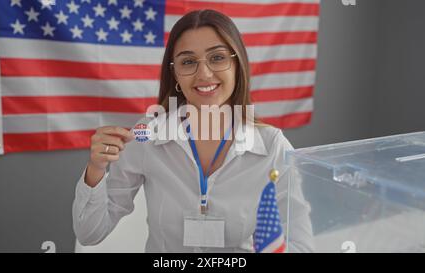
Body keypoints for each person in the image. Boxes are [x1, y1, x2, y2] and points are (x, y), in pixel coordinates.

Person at [72, 9, 313, 253]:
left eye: (217, 58)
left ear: (237, 64)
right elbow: (90, 233)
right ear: (175, 73)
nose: (204, 74)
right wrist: (97, 169)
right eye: (188, 62)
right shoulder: (148, 135)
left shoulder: (272, 147)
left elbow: (302, 247)